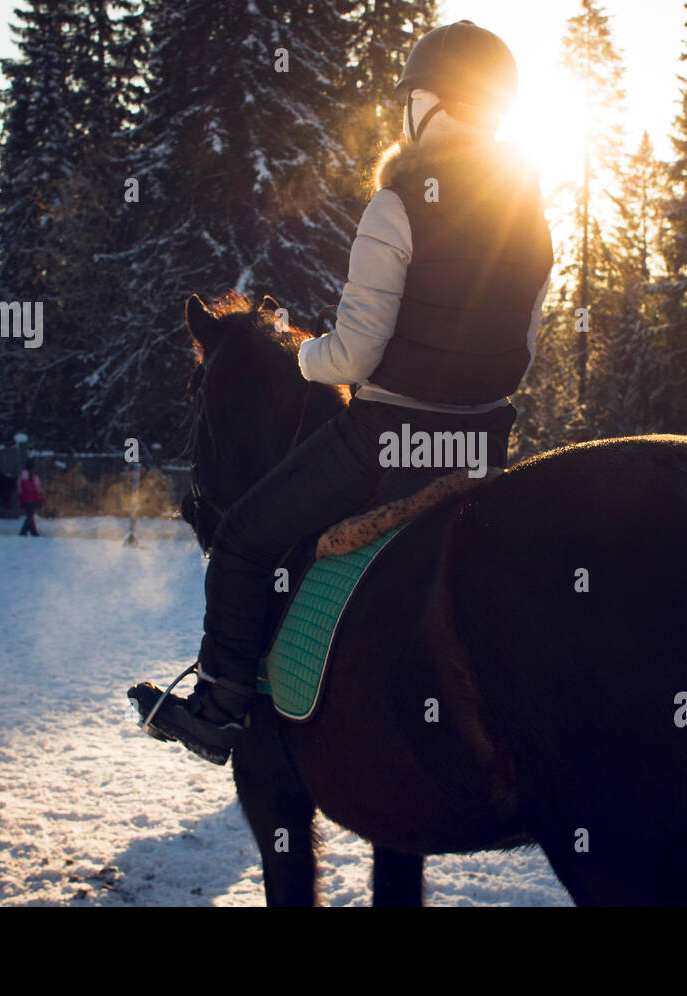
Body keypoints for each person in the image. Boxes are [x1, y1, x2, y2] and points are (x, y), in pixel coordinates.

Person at [130, 20, 553, 765]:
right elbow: (522, 352)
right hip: (484, 444)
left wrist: (303, 358)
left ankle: (222, 705)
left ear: (428, 104)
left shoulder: (395, 207)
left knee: (243, 537)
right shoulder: (529, 217)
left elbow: (353, 356)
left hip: (385, 445)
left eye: (409, 101)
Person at [17, 459, 45, 536]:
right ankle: (23, 533)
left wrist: (20, 500)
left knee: (30, 516)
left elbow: (20, 490)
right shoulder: (35, 478)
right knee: (29, 517)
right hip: (33, 499)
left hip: (24, 500)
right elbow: (39, 489)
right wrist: (42, 499)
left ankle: (34, 533)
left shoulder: (21, 477)